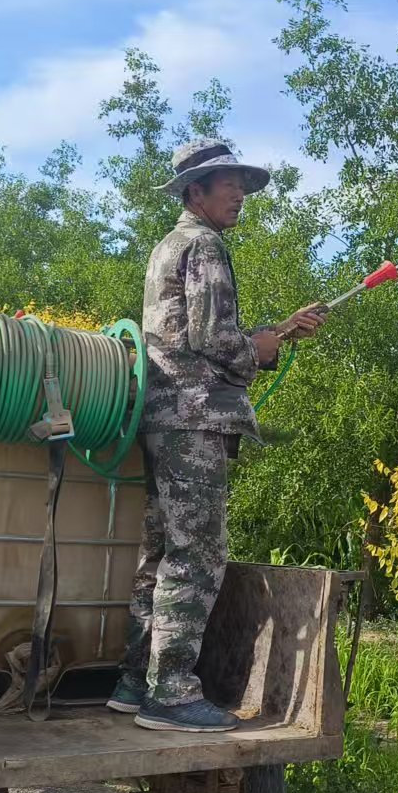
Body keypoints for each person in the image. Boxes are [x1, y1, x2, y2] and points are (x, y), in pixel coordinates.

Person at [108, 138, 328, 732]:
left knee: (160, 552)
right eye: (228, 184)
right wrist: (259, 349)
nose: (239, 195)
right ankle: (172, 693)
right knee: (197, 553)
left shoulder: (170, 245)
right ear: (195, 191)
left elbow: (191, 335)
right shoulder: (205, 245)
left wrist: (277, 333)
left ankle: (135, 680)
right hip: (194, 419)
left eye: (241, 185)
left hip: (164, 417)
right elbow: (214, 340)